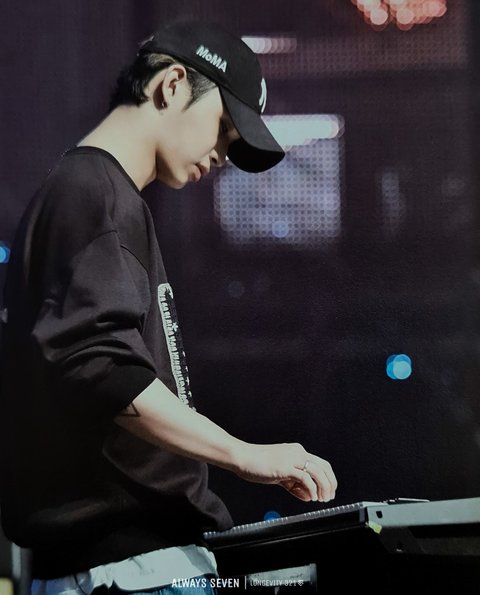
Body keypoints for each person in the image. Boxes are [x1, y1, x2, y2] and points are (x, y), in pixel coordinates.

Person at [0, 20, 337, 595]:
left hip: (144, 567)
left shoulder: (103, 196)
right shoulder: (88, 191)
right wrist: (244, 455)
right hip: (132, 572)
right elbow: (102, 369)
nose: (224, 154)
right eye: (224, 128)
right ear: (172, 85)